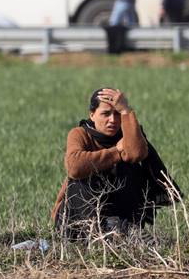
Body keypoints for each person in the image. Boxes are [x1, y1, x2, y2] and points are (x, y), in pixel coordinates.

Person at [52, 88, 181, 239]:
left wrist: (126, 111)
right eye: (106, 114)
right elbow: (75, 167)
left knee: (130, 168)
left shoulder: (129, 134)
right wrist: (117, 151)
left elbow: (136, 153)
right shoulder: (80, 134)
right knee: (80, 179)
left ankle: (126, 230)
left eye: (117, 114)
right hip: (78, 220)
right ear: (92, 115)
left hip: (120, 216)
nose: (113, 120)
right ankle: (104, 230)